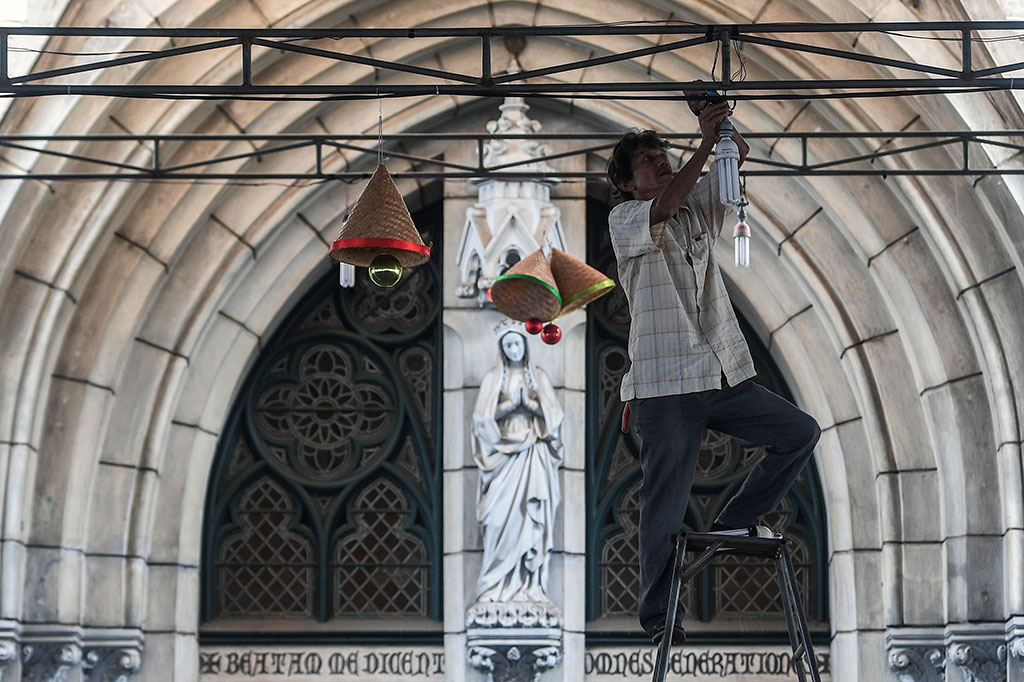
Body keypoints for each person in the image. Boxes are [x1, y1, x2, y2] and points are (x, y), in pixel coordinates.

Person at [605, 100, 821, 646]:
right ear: (628, 185)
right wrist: (701, 143)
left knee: (799, 432)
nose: (661, 163)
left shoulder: (694, 208)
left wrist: (720, 124)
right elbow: (667, 205)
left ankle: (735, 519)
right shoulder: (626, 217)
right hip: (664, 385)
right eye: (649, 162)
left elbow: (736, 156)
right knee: (665, 506)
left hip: (719, 371)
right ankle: (660, 619)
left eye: (662, 155)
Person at [470, 324, 564, 606]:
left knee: (531, 519)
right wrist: (510, 407)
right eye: (508, 345)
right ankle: (495, 585)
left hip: (531, 452)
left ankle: (530, 585)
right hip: (502, 455)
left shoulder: (538, 377)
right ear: (502, 349)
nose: (513, 349)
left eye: (517, 344)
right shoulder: (492, 378)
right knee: (498, 521)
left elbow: (554, 418)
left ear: (526, 345)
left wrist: (531, 405)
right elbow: (481, 420)